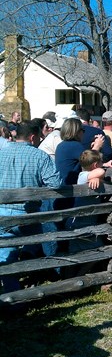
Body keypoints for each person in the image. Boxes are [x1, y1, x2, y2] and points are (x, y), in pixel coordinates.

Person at [0, 121, 62, 293]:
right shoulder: (39, 156)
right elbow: (55, 183)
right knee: (36, 241)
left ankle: (10, 290)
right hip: (27, 213)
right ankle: (28, 282)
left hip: (2, 211)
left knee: (6, 252)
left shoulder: (1, 153)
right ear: (32, 136)